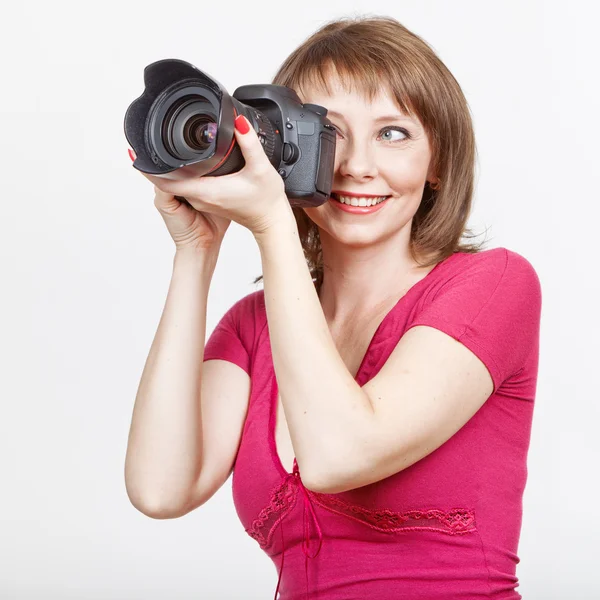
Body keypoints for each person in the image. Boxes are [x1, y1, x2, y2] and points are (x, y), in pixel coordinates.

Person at [124, 15, 542, 600]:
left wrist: (273, 225)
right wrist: (196, 252)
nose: (356, 166)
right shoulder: (253, 326)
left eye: (393, 133)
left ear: (439, 163)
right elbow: (161, 488)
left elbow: (338, 454)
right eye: (329, 132)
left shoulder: (493, 284)